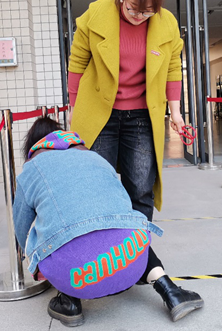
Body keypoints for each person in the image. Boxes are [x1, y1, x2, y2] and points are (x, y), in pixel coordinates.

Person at [67, 0, 204, 322]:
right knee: (92, 190)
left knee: (140, 191)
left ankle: (129, 261)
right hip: (100, 113)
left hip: (142, 116)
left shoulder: (166, 23)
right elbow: (77, 63)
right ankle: (77, 276)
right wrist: (75, 114)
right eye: (132, 9)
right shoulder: (95, 15)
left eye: (147, 13)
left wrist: (176, 113)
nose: (138, 16)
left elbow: (173, 67)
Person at [13, 117, 164, 327]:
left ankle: (69, 303)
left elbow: (21, 227)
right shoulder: (95, 157)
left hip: (77, 276)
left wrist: (30, 256)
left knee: (49, 227)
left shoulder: (32, 168)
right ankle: (168, 289)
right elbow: (123, 203)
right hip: (132, 263)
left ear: (33, 145)